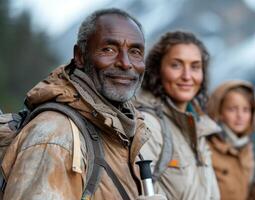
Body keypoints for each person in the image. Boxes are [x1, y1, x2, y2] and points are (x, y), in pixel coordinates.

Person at [1, 8, 166, 200]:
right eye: (109, 49)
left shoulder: (124, 130)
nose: (125, 63)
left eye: (135, 52)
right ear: (79, 56)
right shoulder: (56, 136)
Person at [134, 31, 221, 200]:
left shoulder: (198, 125)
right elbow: (132, 190)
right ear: (157, 70)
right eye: (176, 65)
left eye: (195, 67)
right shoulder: (147, 124)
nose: (187, 76)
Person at [206, 80, 255, 200]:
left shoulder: (247, 150)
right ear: (219, 112)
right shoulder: (207, 148)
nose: (240, 116)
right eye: (232, 109)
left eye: (246, 110)